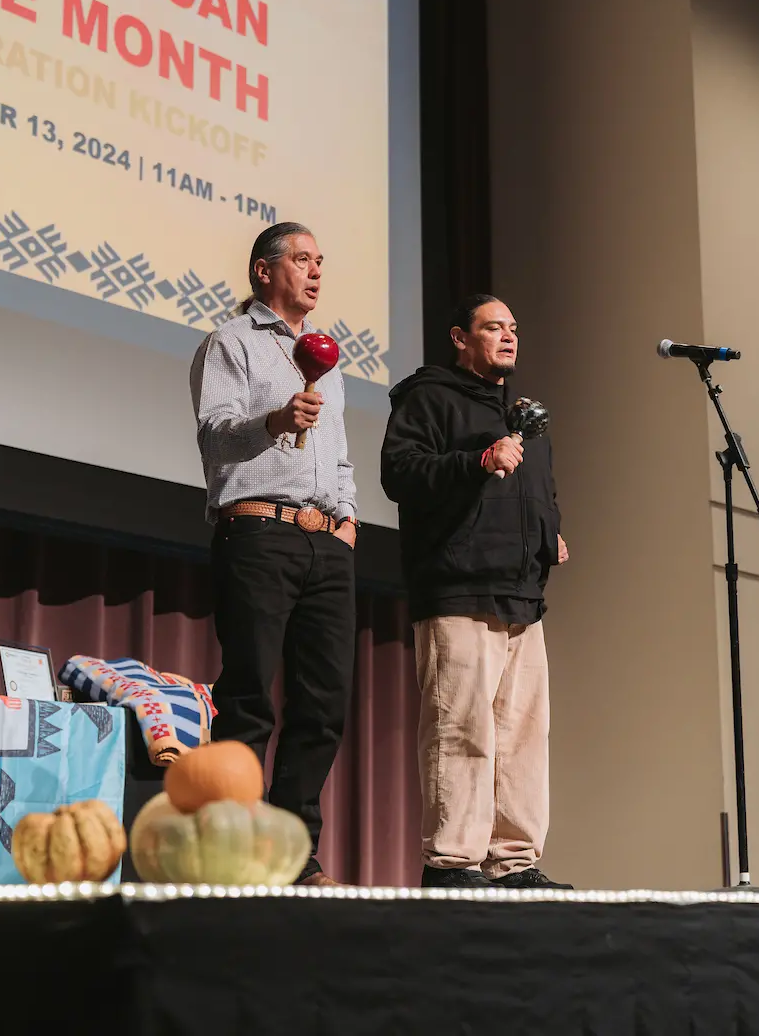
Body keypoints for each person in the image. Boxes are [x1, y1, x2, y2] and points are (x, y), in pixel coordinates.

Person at [380, 294, 572, 890]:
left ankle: (514, 861)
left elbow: (537, 494)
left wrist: (550, 533)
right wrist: (477, 460)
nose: (509, 337)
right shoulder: (430, 398)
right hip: (459, 590)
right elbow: (400, 473)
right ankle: (454, 863)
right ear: (461, 338)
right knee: (461, 729)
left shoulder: (525, 419)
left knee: (521, 736)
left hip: (522, 596)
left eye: (513, 327)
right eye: (494, 327)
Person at [190, 221, 359, 888]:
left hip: (328, 542)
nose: (315, 271)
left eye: (321, 260)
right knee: (250, 697)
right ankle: (234, 852)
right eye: (300, 259)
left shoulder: (328, 356)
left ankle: (292, 854)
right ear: (264, 271)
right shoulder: (230, 343)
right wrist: (275, 422)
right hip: (259, 533)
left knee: (324, 705)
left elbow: (338, 455)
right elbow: (214, 438)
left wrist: (347, 521)